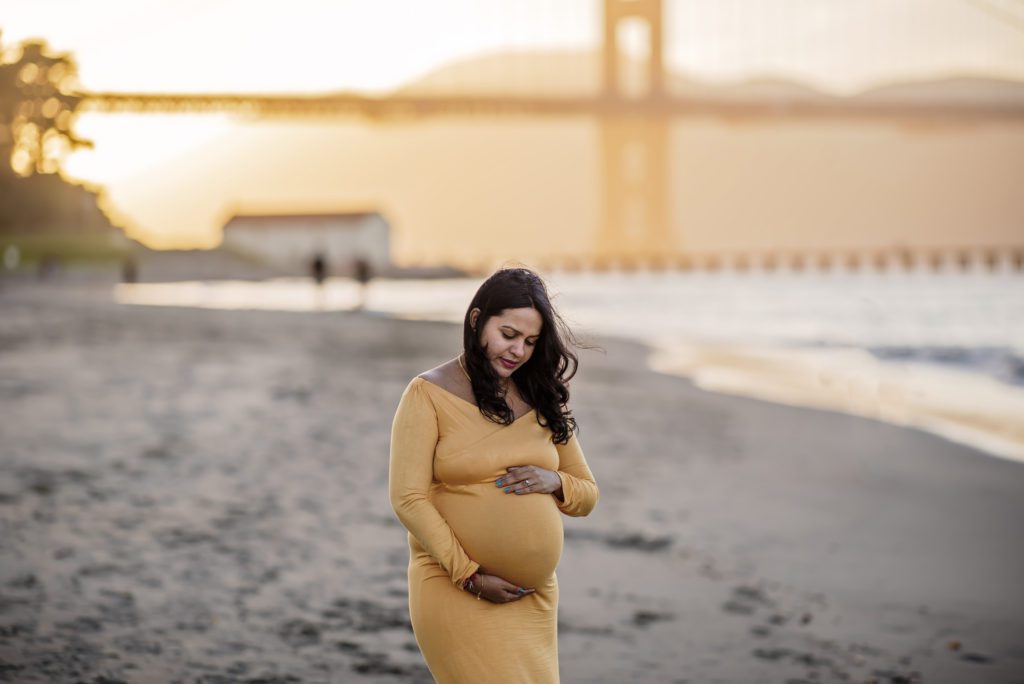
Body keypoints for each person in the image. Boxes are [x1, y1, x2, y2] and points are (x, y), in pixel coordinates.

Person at [389, 266, 599, 683]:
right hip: (454, 585)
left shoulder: (540, 397)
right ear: (476, 320)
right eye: (508, 334)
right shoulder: (427, 393)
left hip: (533, 599)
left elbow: (587, 495)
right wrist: (469, 576)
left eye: (530, 342)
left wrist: (554, 481)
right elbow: (408, 498)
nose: (518, 350)